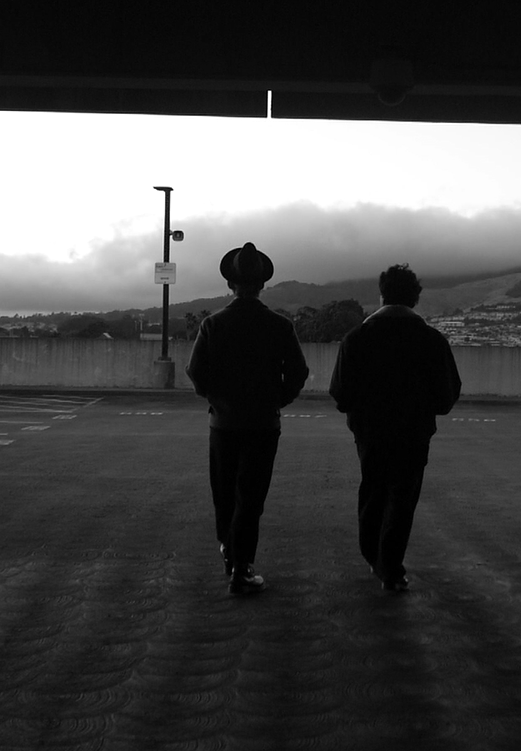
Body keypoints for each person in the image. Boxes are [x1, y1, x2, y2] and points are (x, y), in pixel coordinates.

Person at [185, 242, 310, 595]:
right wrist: (277, 401)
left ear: (230, 285)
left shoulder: (213, 324)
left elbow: (196, 372)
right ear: (263, 285)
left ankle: (228, 550)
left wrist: (215, 399)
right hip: (263, 425)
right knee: (251, 496)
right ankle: (242, 566)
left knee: (223, 493)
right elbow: (298, 373)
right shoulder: (279, 326)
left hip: (223, 424)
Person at [329, 264, 461, 592]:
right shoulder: (431, 340)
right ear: (415, 299)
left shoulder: (356, 339)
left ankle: (372, 555)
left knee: (373, 490)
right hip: (414, 433)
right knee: (403, 496)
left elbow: (341, 394)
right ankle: (391, 566)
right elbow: (446, 395)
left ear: (381, 295)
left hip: (370, 432)